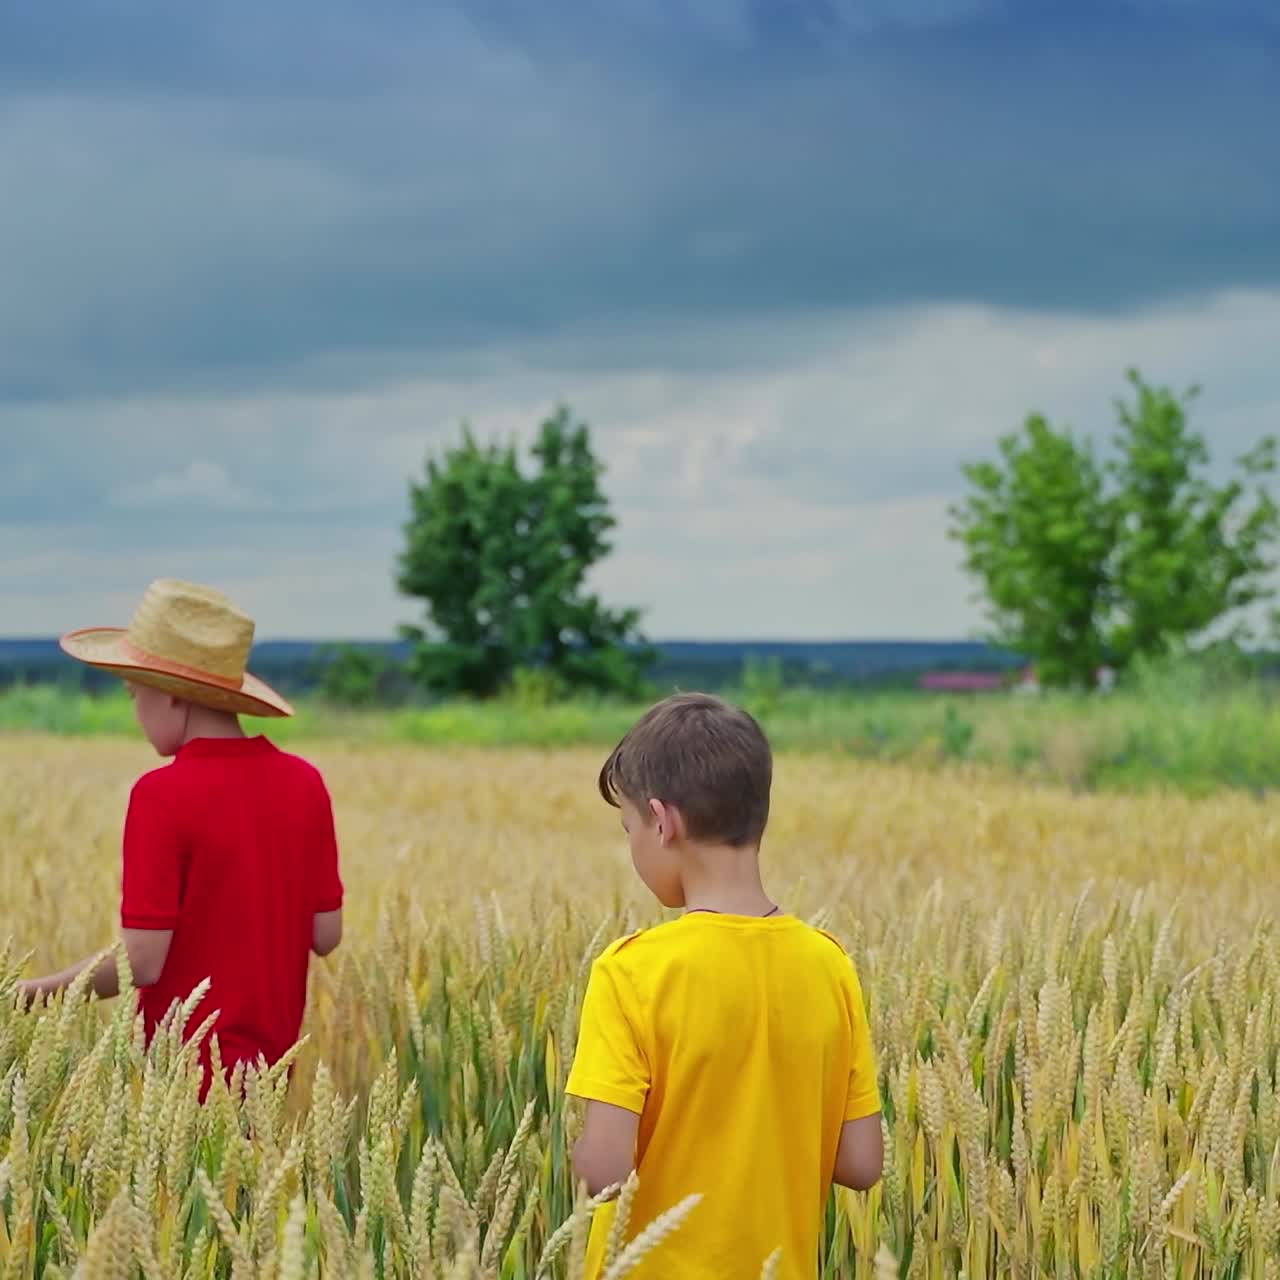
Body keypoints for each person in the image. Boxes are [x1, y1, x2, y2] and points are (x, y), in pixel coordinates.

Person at [566, 692, 882, 1278]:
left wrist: (578, 1150)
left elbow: (605, 1173)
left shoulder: (631, 970)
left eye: (628, 826)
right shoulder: (829, 963)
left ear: (662, 823)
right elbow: (862, 1163)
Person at [20, 578, 344, 1095]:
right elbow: (325, 935)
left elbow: (143, 960)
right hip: (270, 1078)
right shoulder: (305, 783)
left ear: (172, 697)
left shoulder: (161, 795)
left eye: (135, 694)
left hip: (184, 1090)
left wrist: (31, 995)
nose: (135, 712)